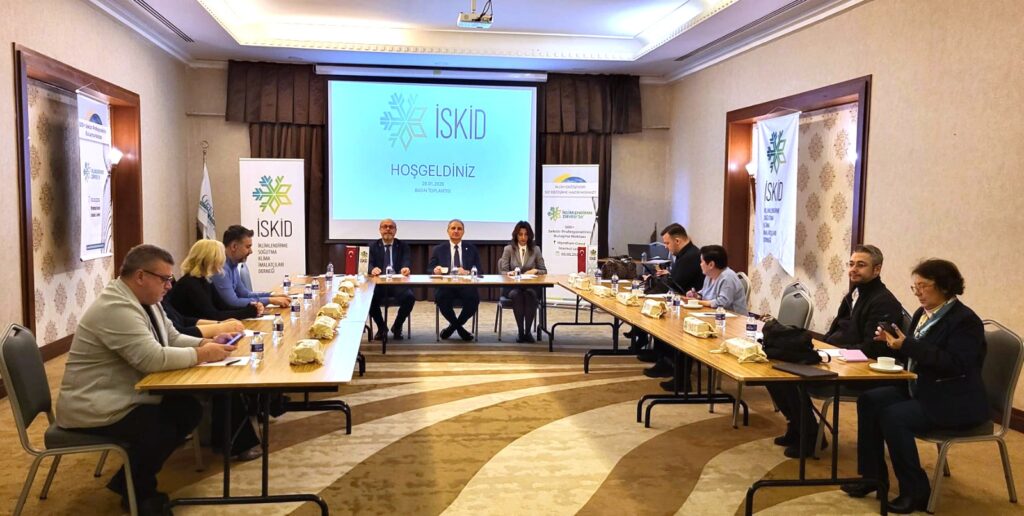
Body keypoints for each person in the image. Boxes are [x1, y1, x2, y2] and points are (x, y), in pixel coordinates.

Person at [56, 244, 237, 515]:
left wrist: (205, 343)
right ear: (141, 276)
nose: (169, 286)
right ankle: (141, 494)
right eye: (164, 279)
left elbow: (171, 337)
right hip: (95, 405)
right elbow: (151, 359)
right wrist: (202, 354)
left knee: (187, 409)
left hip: (121, 394)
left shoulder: (146, 302)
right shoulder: (116, 308)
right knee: (159, 426)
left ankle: (126, 481)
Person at [842, 259, 988, 514]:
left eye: (923, 286)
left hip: (954, 399)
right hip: (922, 388)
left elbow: (955, 365)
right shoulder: (922, 314)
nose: (918, 292)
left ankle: (915, 491)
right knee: (869, 400)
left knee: (893, 416)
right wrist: (892, 343)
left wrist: (907, 345)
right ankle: (872, 477)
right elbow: (916, 356)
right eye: (915, 287)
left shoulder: (965, 321)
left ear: (944, 286)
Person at [766, 244, 904, 458]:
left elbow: (872, 348)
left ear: (877, 269)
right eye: (851, 264)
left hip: (864, 371)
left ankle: (810, 437)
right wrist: (822, 348)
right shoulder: (855, 294)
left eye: (861, 265)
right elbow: (835, 330)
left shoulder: (883, 302)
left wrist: (833, 353)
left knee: (791, 377)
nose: (853, 270)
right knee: (774, 369)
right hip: (839, 359)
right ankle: (797, 426)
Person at [636, 224, 705, 384]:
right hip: (683, 300)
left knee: (661, 317)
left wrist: (650, 292)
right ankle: (660, 355)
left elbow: (675, 283)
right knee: (655, 309)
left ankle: (667, 362)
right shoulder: (685, 254)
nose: (666, 247)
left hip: (692, 305)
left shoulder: (690, 256)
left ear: (678, 241)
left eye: (667, 243)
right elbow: (674, 279)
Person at [166, 239, 262, 321]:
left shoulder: (204, 280)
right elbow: (213, 316)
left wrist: (250, 307)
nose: (222, 263)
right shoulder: (190, 284)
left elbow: (223, 307)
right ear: (210, 260)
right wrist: (248, 312)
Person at [212, 225, 291, 309]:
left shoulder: (233, 265)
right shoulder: (220, 267)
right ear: (234, 246)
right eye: (248, 247)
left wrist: (271, 295)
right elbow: (233, 302)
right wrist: (270, 300)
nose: (251, 251)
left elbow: (245, 294)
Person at [429, 219, 481, 341]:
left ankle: (451, 328)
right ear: (448, 231)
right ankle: (460, 329)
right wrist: (435, 270)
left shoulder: (471, 249)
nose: (456, 231)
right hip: (446, 286)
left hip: (466, 286)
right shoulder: (439, 249)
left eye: (459, 229)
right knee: (441, 297)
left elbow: (480, 270)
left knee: (474, 299)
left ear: (463, 232)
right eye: (453, 228)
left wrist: (467, 272)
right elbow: (430, 268)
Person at [497, 221, 547, 343]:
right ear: (516, 235)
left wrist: (535, 271)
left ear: (530, 236)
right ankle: (520, 331)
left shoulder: (536, 249)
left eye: (526, 234)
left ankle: (527, 332)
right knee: (518, 295)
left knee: (530, 294)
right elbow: (503, 271)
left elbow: (544, 271)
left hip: (531, 287)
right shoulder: (508, 249)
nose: (523, 237)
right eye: (520, 234)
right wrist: (509, 273)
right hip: (513, 287)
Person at [368, 218, 415, 341]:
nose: (388, 229)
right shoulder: (372, 246)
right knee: (369, 298)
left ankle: (397, 326)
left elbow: (406, 261)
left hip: (397, 284)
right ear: (380, 230)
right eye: (385, 227)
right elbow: (368, 263)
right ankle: (381, 327)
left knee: (409, 297)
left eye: (391, 227)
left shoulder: (403, 246)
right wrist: (372, 269)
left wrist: (405, 268)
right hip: (379, 285)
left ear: (395, 230)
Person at [685, 245, 747, 313]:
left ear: (711, 265)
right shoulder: (709, 276)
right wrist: (696, 295)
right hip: (714, 314)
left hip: (733, 317)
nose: (700, 264)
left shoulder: (728, 277)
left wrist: (697, 302)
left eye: (702, 261)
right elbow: (705, 294)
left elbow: (722, 303)